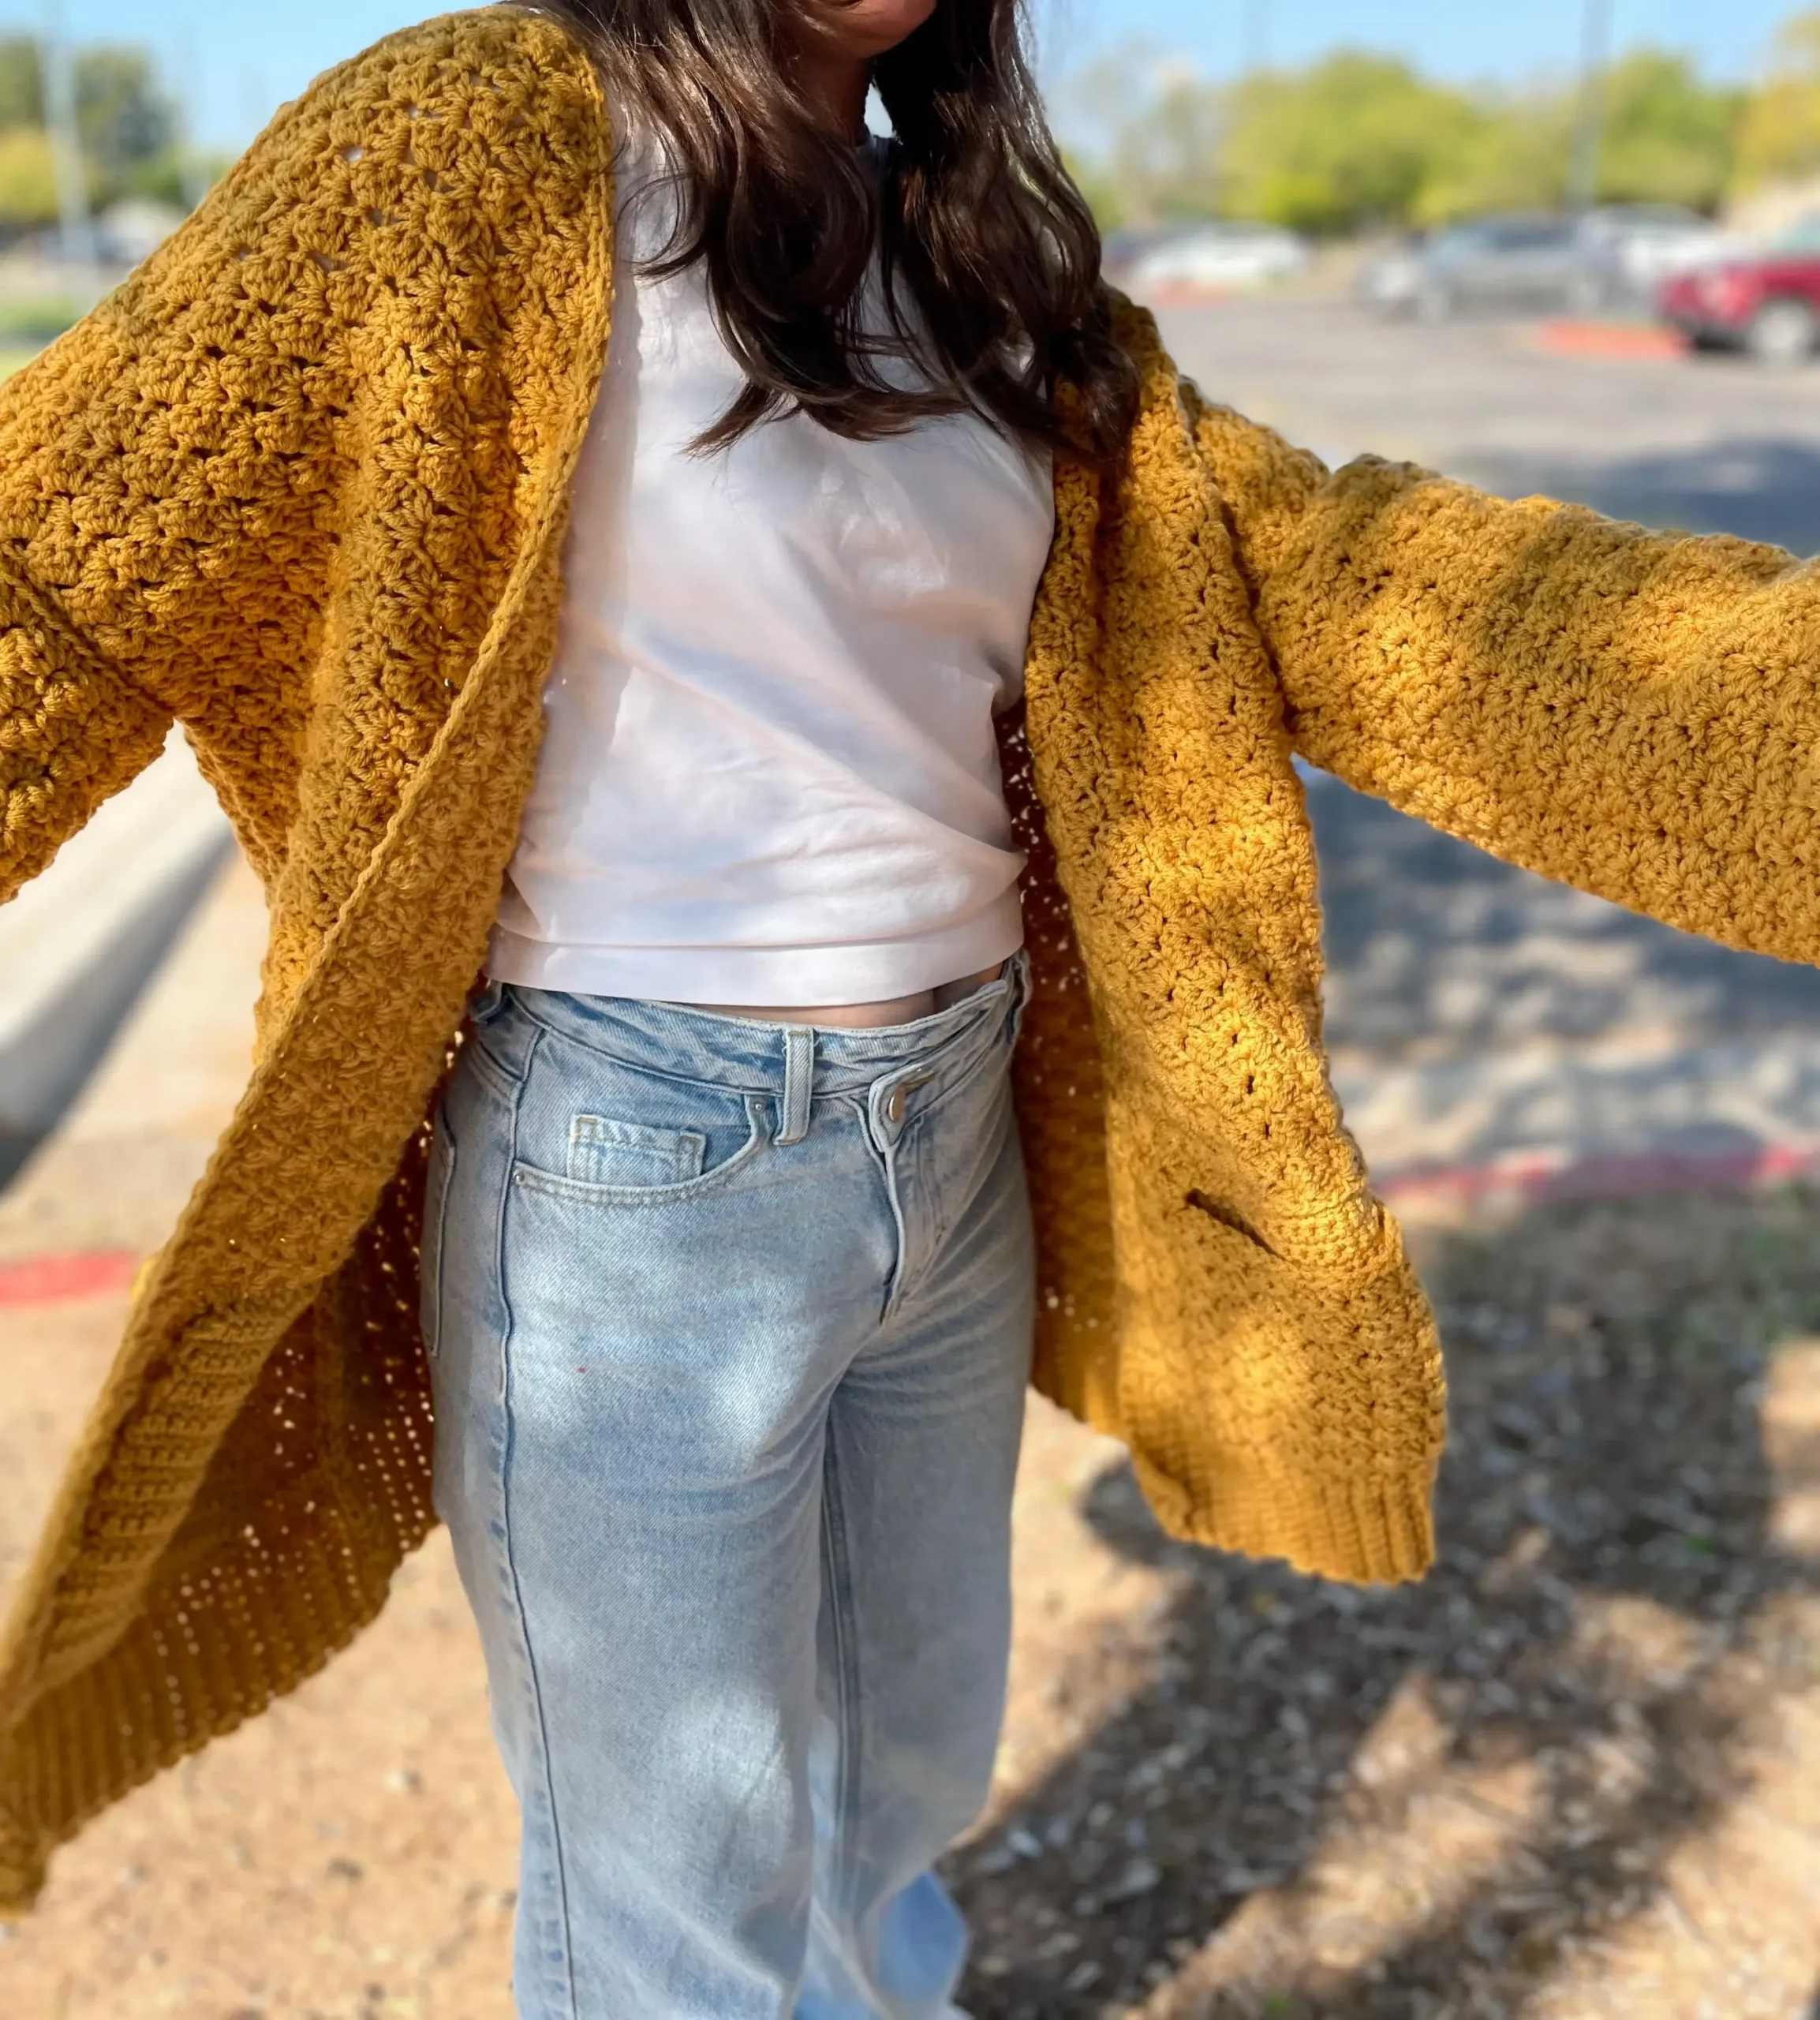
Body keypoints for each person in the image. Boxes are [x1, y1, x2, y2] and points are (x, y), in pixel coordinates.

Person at [0, 2, 1817, 2014]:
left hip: (945, 1141)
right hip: (633, 1168)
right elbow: (61, 555)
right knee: (678, 1887)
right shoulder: (481, 134)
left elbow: (1363, 583)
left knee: (900, 1783)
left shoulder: (970, 248)